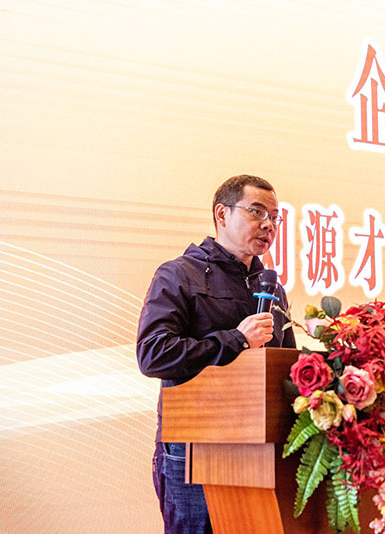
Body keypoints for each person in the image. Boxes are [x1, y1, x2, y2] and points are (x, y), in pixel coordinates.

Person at [137, 174, 296, 533]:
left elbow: (285, 367)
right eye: (257, 212)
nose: (269, 224)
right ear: (222, 214)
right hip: (191, 449)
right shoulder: (179, 275)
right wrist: (236, 340)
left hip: (260, 449)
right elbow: (153, 354)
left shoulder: (271, 287)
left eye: (275, 217)